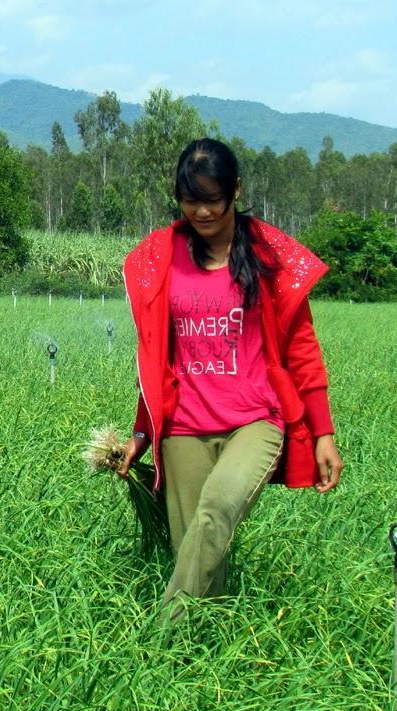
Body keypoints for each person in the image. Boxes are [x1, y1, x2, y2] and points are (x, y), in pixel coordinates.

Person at [117, 137, 343, 628]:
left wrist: (323, 432)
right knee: (199, 555)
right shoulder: (163, 257)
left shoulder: (267, 255)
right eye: (189, 199)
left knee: (217, 510)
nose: (201, 211)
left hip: (255, 420)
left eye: (212, 199)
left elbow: (302, 347)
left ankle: (160, 638)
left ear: (236, 191)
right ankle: (203, 665)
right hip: (184, 428)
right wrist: (141, 433)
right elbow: (155, 357)